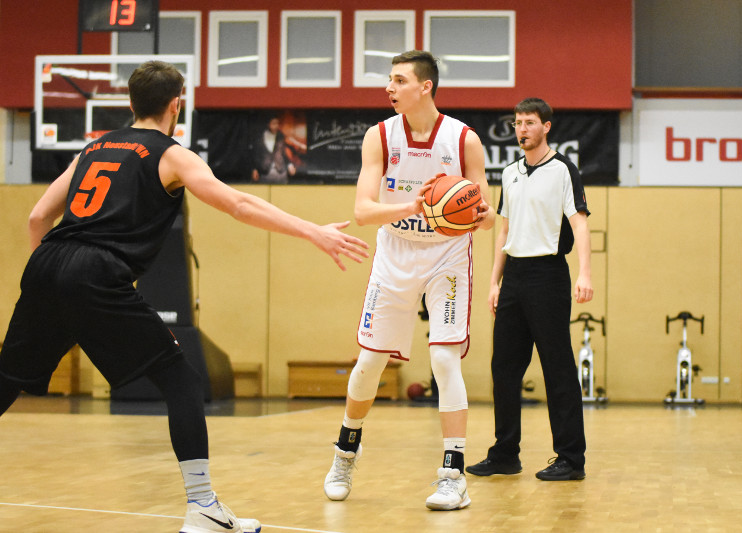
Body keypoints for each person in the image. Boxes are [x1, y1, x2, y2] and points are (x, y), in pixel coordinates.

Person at [0, 61, 368, 533]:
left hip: (47, 263)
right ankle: (203, 508)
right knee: (182, 381)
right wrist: (313, 231)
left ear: (130, 104)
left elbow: (36, 218)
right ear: (178, 103)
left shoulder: (92, 149)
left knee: (8, 378)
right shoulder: (172, 155)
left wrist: (52, 284)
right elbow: (238, 203)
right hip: (95, 271)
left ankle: (206, 508)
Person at [322, 50, 494, 511]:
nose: (389, 88)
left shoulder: (464, 141)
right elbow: (362, 211)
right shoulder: (379, 136)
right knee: (369, 364)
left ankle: (453, 476)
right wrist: (412, 208)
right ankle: (345, 453)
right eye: (390, 80)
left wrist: (482, 215)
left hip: (447, 255)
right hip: (395, 253)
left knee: (443, 359)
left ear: (425, 87)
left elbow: (486, 212)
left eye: (398, 80)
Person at [466, 97, 592, 482]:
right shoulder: (509, 173)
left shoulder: (564, 171)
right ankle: (505, 454)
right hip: (514, 278)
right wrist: (493, 282)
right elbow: (504, 228)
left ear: (546, 127)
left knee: (558, 370)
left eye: (529, 123)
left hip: (548, 274)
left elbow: (581, 223)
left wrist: (585, 273)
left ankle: (570, 458)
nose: (522, 129)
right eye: (518, 123)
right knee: (503, 369)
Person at [251, 115, 307, 184]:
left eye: (277, 123)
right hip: (265, 172)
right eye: (274, 123)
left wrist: (289, 165)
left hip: (280, 172)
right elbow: (255, 155)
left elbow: (284, 153)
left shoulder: (280, 136)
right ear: (268, 124)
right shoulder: (260, 138)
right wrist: (254, 169)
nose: (276, 126)